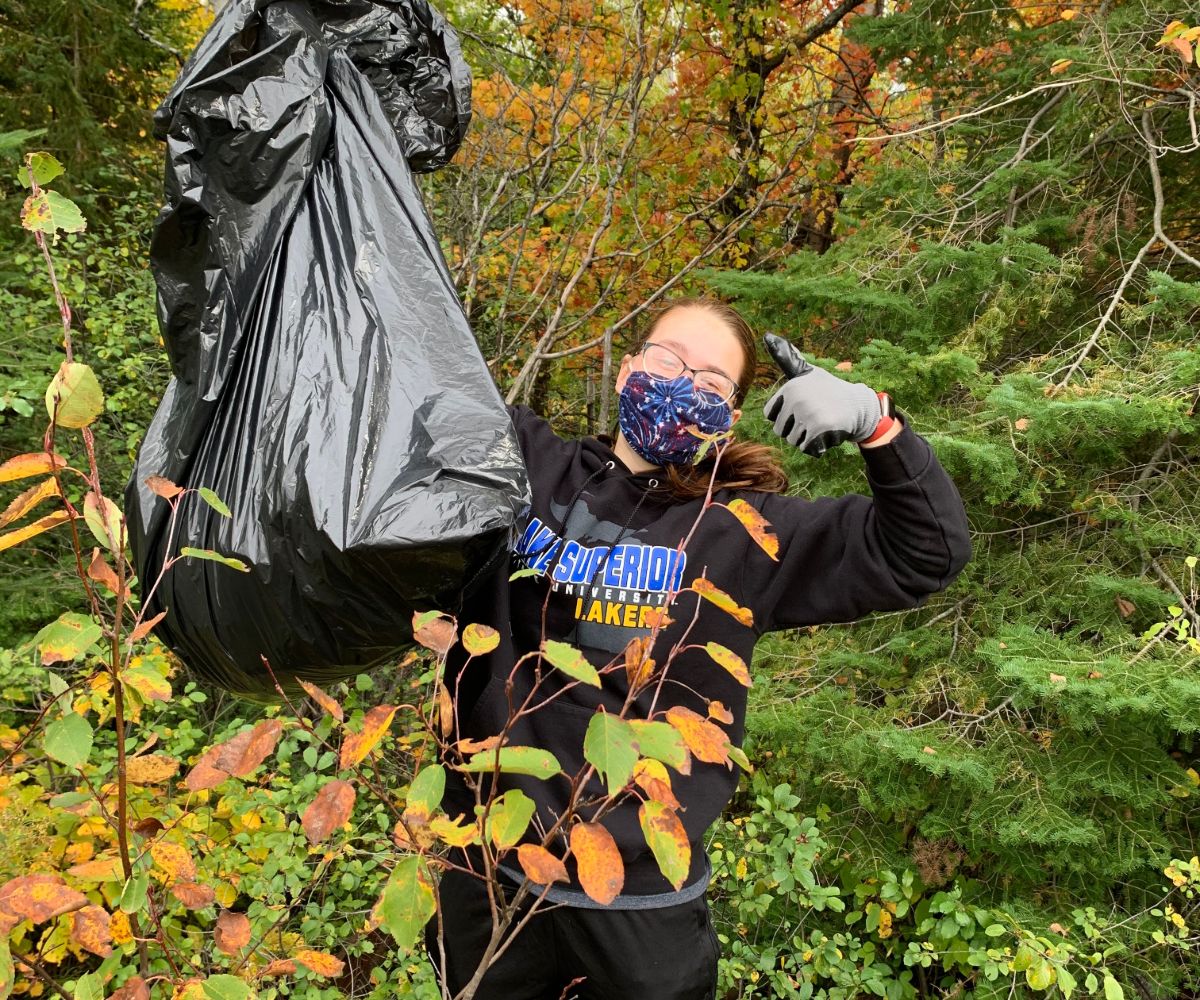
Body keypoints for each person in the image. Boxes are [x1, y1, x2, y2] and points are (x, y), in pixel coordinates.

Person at [424, 295, 972, 1000]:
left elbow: (926, 552)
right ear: (627, 371)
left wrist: (877, 423)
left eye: (711, 381)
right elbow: (413, 385)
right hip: (489, 875)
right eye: (666, 359)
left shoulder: (745, 532)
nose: (682, 384)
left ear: (731, 416)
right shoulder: (526, 462)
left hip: (640, 910)